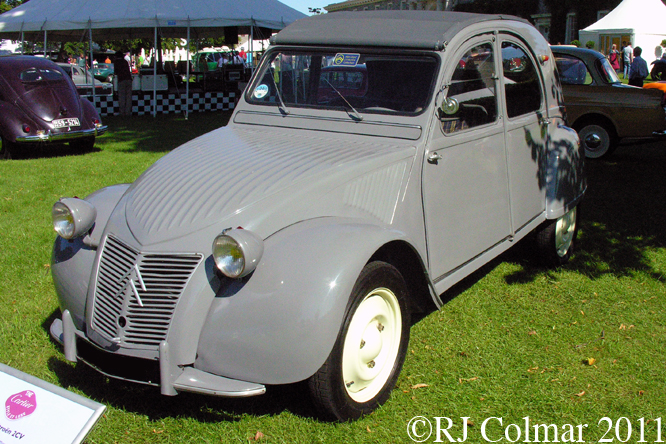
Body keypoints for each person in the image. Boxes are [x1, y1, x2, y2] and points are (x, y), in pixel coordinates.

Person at [113, 50, 133, 116]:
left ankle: (122, 112)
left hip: (121, 80)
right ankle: (128, 112)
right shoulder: (125, 61)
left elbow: (116, 72)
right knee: (128, 96)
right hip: (129, 79)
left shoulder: (116, 62)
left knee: (122, 96)